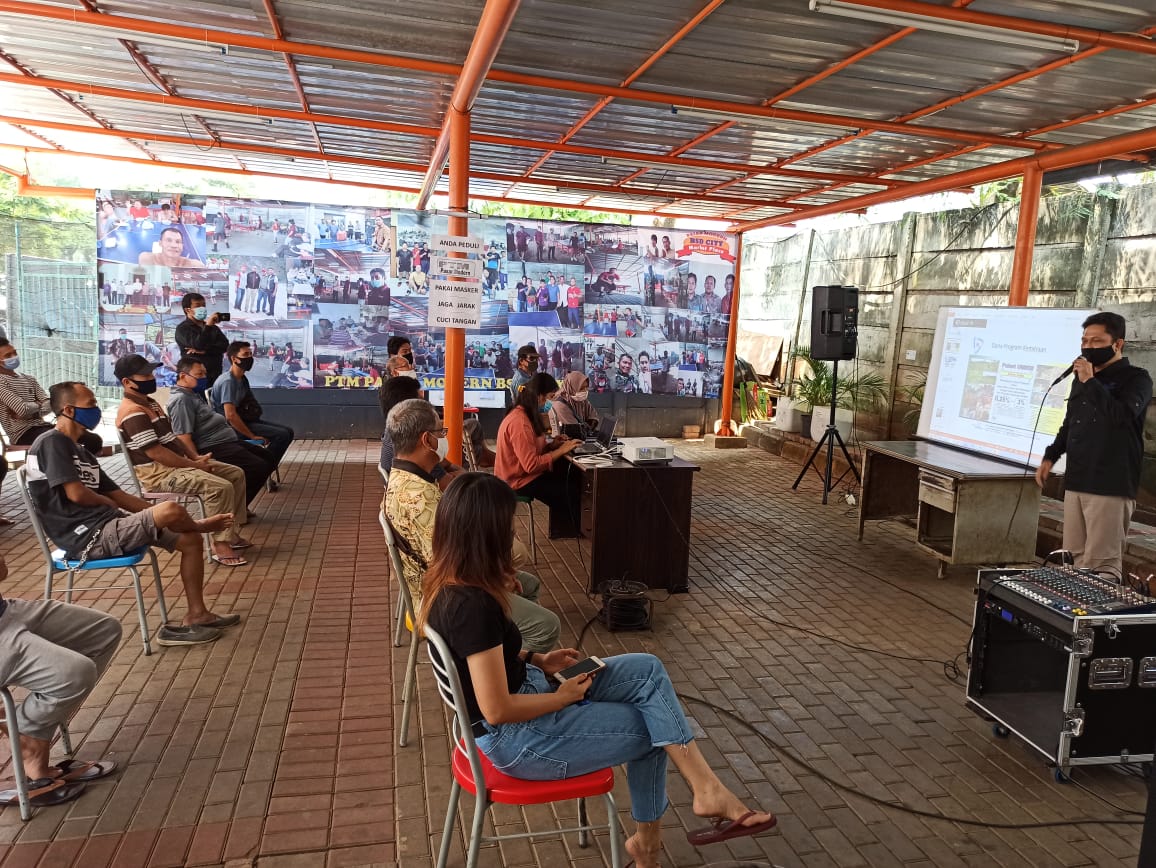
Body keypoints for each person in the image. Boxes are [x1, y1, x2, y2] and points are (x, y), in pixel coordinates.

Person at [419, 473, 777, 868]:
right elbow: (496, 709)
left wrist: (537, 659)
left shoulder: (448, 584)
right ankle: (650, 847)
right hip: (520, 739)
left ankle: (706, 789)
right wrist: (560, 698)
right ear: (484, 537)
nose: (514, 534)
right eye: (508, 528)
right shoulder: (473, 607)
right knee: (652, 730)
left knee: (648, 669)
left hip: (528, 699)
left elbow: (479, 664)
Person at [27, 382, 237, 646]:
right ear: (68, 409)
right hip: (86, 537)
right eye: (90, 404)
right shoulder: (51, 442)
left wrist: (145, 513)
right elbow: (77, 495)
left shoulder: (82, 452)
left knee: (189, 541)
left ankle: (198, 615)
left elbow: (121, 496)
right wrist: (128, 509)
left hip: (110, 525)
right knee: (172, 510)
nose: (96, 409)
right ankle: (201, 526)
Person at [383, 401, 559, 652]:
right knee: (546, 625)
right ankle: (500, 677)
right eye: (440, 433)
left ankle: (501, 652)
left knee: (527, 583)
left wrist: (499, 573)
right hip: (442, 599)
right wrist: (495, 579)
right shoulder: (419, 500)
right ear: (426, 440)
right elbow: (452, 571)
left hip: (442, 584)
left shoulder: (405, 475)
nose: (443, 438)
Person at [1037, 312, 1153, 580]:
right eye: (1084, 341)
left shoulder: (1137, 379)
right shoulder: (1082, 378)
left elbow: (1121, 415)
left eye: (1096, 341)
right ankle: (1073, 617)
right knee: (1074, 557)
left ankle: (1098, 619)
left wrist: (1091, 381)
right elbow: (1071, 423)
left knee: (1101, 564)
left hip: (1110, 484)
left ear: (1117, 344)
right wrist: (1050, 456)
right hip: (1077, 480)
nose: (1088, 347)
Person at [0, 554, 121, 809]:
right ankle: (29, 739)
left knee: (104, 630)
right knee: (74, 674)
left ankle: (29, 727)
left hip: (5, 612)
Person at [115, 354, 252, 567]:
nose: (152, 378)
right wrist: (194, 465)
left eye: (151, 373)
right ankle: (221, 545)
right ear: (127, 382)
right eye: (145, 375)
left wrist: (195, 456)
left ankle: (230, 532)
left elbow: (172, 438)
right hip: (159, 474)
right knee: (219, 486)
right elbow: (156, 453)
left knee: (235, 473)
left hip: (175, 466)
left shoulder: (150, 403)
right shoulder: (132, 412)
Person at [167, 358, 274, 504]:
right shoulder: (181, 400)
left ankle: (239, 503)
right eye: (199, 374)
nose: (204, 378)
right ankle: (236, 506)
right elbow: (183, 437)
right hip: (211, 447)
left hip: (226, 441)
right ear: (183, 376)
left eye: (205, 373)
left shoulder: (192, 394)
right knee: (258, 466)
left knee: (268, 457)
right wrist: (197, 461)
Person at [496, 372, 581, 537]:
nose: (549, 402)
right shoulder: (519, 422)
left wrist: (552, 445)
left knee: (571, 478)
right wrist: (561, 450)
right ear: (538, 396)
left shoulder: (525, 415)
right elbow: (531, 465)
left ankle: (569, 528)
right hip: (518, 482)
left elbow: (531, 451)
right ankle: (572, 529)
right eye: (549, 397)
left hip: (523, 476)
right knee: (570, 489)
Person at [210, 342, 295, 473]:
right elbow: (230, 416)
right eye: (245, 354)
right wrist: (252, 436)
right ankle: (262, 469)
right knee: (282, 435)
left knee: (288, 432)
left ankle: (264, 465)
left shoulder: (241, 378)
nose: (250, 358)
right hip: (231, 427)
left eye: (250, 354)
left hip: (246, 420)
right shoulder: (228, 381)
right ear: (234, 359)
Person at [174, 292, 229, 384]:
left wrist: (205, 351)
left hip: (215, 375)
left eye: (203, 305)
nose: (202, 308)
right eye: (198, 306)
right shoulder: (182, 329)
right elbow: (199, 344)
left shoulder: (213, 328)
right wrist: (208, 327)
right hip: (195, 378)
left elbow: (225, 346)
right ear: (188, 310)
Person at [548, 372, 599, 438]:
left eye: (586, 387)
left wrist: (590, 425)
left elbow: (592, 416)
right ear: (572, 387)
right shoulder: (560, 405)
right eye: (581, 388)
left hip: (580, 438)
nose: (585, 391)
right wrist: (586, 427)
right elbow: (574, 431)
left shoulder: (581, 400)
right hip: (567, 442)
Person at [138, 226, 204, 268]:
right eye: (169, 240)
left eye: (178, 242)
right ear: (160, 243)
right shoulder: (146, 259)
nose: (174, 245)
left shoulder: (194, 265)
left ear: (182, 246)